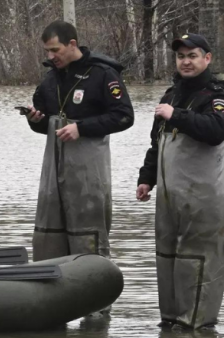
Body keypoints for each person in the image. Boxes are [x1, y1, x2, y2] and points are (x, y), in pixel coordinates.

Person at [25, 20, 134, 262]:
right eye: (47, 51)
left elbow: (124, 117)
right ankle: (50, 295)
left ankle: (95, 293)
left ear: (72, 44)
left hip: (88, 177)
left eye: (56, 50)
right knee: (48, 242)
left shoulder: (103, 74)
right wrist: (35, 119)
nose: (51, 56)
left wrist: (81, 128)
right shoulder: (50, 80)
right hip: (53, 176)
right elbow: (45, 125)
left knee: (88, 244)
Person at [136, 33, 224, 330]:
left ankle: (198, 325)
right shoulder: (169, 95)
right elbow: (155, 144)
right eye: (180, 56)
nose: (185, 61)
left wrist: (178, 115)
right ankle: (171, 321)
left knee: (198, 258)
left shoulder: (217, 95)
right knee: (167, 257)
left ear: (207, 59)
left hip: (204, 196)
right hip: (169, 197)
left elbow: (215, 130)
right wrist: (146, 179)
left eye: (192, 55)